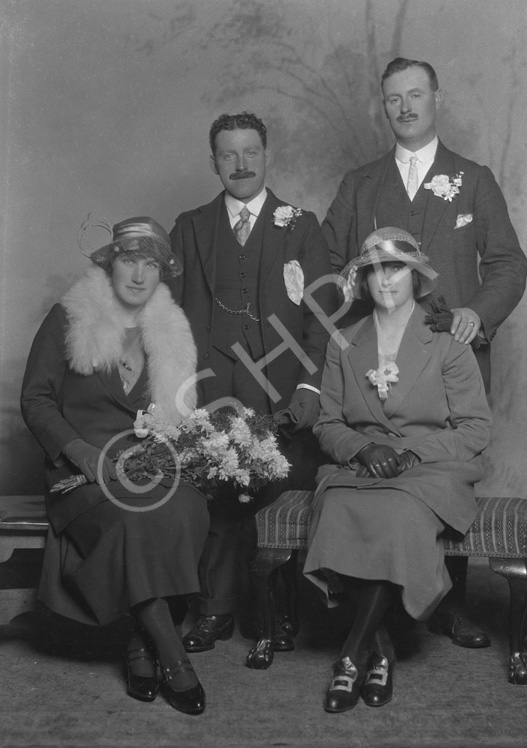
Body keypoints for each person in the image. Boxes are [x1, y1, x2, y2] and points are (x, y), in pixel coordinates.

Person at [322, 57, 527, 648]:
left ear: (437, 98)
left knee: (440, 466)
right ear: (383, 106)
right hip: (380, 360)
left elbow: (509, 265)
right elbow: (331, 261)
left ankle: (445, 602)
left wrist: (477, 313)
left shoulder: (474, 179)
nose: (405, 107)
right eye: (393, 99)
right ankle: (375, 604)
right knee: (381, 464)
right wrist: (351, 285)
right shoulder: (360, 184)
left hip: (450, 355)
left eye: (415, 95)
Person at [20, 217, 210, 715]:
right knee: (132, 522)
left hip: (149, 466)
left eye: (152, 264)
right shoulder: (69, 317)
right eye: (130, 260)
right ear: (110, 264)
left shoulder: (171, 330)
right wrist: (81, 452)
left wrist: (173, 448)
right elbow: (36, 399)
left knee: (188, 509)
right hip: (82, 472)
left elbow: (182, 413)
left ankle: (138, 645)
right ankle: (172, 659)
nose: (140, 275)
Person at [303, 227, 492, 712]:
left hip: (431, 467)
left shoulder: (447, 342)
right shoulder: (342, 342)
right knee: (342, 504)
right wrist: (363, 449)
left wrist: (412, 456)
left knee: (396, 512)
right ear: (362, 281)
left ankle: (351, 654)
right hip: (361, 466)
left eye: (396, 269)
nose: (385, 280)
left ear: (417, 276)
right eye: (374, 271)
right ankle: (381, 650)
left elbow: (474, 428)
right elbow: (327, 422)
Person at [169, 111, 337, 653]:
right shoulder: (191, 226)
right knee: (217, 494)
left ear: (267, 156)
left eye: (250, 152)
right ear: (213, 161)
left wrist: (309, 388)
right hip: (214, 383)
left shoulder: (301, 224)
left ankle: (280, 609)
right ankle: (215, 610)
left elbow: (319, 322)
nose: (240, 164)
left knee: (280, 492)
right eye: (227, 154)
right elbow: (169, 318)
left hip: (281, 388)